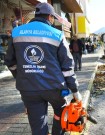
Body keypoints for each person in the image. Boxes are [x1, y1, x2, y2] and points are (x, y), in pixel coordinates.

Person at [4, 3, 82, 135]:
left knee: (37, 125)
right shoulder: (57, 34)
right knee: (60, 112)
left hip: (28, 89)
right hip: (55, 88)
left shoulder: (16, 32)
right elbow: (67, 66)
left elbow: (10, 61)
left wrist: (21, 76)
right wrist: (75, 90)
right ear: (50, 17)